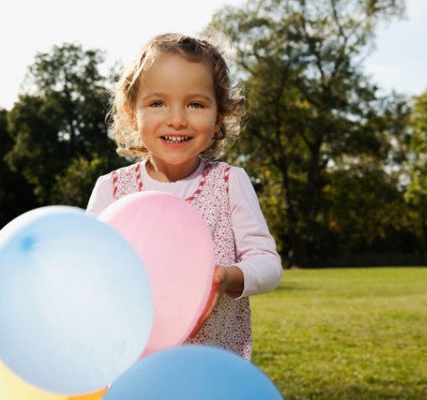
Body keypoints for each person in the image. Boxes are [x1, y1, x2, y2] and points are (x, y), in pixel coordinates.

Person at [86, 32, 282, 360]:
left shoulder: (229, 182)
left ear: (219, 115)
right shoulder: (111, 190)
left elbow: (267, 264)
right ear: (133, 111)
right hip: (131, 364)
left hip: (210, 366)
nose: (177, 119)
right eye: (158, 103)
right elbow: (88, 269)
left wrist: (225, 277)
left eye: (195, 104)